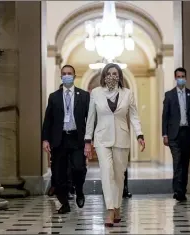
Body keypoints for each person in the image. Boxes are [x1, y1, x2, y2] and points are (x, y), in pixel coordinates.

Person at [84, 63, 145, 227]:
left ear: (120, 76)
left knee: (119, 175)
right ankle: (110, 210)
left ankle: (117, 206)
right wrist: (87, 141)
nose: (112, 76)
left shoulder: (127, 93)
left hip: (121, 137)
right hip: (101, 138)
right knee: (106, 172)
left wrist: (139, 134)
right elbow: (90, 118)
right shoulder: (96, 93)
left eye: (115, 73)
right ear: (104, 76)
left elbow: (134, 116)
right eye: (109, 73)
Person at [42, 64, 90, 214]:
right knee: (59, 174)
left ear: (74, 77)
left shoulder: (83, 96)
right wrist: (45, 139)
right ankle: (64, 203)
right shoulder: (54, 97)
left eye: (70, 73)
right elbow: (48, 120)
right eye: (64, 73)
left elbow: (90, 119)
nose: (67, 75)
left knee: (78, 168)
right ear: (61, 76)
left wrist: (89, 140)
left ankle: (79, 190)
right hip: (60, 139)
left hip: (77, 138)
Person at [162, 67, 190, 202]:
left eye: (183, 76)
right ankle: (178, 190)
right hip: (174, 134)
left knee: (185, 162)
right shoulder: (169, 95)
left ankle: (182, 189)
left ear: (186, 77)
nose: (181, 78)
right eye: (178, 76)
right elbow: (165, 117)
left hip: (188, 133)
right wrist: (164, 134)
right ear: (175, 78)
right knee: (177, 161)